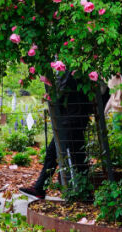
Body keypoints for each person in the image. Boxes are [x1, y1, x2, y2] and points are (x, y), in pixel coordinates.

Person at [19, 71, 98, 200]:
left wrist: (52, 96)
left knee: (74, 155)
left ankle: (83, 193)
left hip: (70, 120)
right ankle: (40, 188)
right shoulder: (78, 70)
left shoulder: (71, 71)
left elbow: (59, 93)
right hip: (73, 118)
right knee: (65, 154)